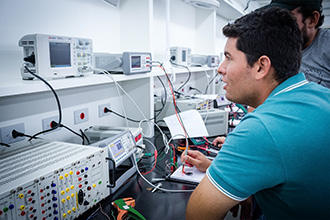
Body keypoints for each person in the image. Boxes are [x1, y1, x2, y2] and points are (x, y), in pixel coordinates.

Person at [182, 7, 330, 220]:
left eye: (228, 58)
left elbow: (197, 215)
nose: (220, 68)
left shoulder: (261, 128)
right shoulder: (322, 95)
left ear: (261, 67)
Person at [265, 0, 330, 88]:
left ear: (312, 20)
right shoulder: (276, 49)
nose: (278, 25)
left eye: (286, 18)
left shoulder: (326, 46)